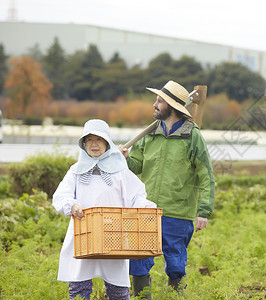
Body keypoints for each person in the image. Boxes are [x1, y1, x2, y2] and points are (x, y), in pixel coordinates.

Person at [118, 80, 215, 297]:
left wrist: (204, 211)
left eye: (160, 101)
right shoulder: (150, 134)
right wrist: (124, 158)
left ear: (172, 106)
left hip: (178, 213)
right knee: (139, 262)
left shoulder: (192, 136)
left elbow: (206, 176)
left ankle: (175, 295)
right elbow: (137, 165)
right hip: (146, 209)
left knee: (175, 265)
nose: (155, 104)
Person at [53, 119, 156, 300]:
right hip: (83, 235)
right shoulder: (75, 171)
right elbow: (61, 196)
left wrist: (145, 207)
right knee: (79, 288)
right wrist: (73, 206)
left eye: (99, 139)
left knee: (118, 291)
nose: (94, 144)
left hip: (113, 236)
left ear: (107, 143)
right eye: (89, 139)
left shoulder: (120, 171)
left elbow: (137, 195)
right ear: (83, 144)